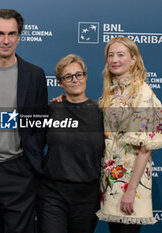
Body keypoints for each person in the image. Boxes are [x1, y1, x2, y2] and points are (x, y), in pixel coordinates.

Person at [0, 9, 48, 233]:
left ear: (19, 36)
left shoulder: (35, 75)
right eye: (0, 34)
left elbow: (38, 124)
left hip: (20, 171)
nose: (6, 40)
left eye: (12, 34)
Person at [96, 37, 162, 233]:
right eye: (111, 55)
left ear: (133, 59)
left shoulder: (143, 93)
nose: (114, 59)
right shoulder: (112, 93)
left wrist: (130, 190)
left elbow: (145, 149)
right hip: (112, 181)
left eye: (121, 55)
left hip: (132, 184)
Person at [36, 54, 104, 233]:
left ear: (86, 77)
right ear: (60, 82)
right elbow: (34, 145)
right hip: (53, 193)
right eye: (68, 77)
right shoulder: (51, 110)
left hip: (87, 195)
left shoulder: (101, 112)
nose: (75, 80)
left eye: (78, 74)